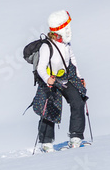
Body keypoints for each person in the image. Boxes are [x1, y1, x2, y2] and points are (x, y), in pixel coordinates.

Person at [31, 10, 89, 153]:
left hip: (65, 79)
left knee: (78, 100)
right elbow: (40, 68)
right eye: (66, 27)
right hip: (51, 81)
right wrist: (47, 79)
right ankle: (46, 142)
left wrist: (80, 78)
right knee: (49, 108)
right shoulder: (47, 46)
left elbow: (73, 63)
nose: (69, 30)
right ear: (59, 29)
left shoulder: (66, 44)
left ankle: (75, 137)